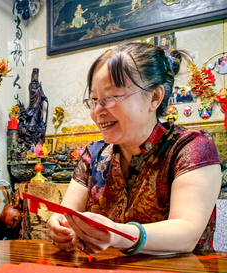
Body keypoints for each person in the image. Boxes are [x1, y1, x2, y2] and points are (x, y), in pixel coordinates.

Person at [48, 42, 221, 256]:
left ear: (154, 97)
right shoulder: (94, 155)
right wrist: (60, 227)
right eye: (94, 100)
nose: (97, 111)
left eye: (110, 98)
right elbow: (68, 215)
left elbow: (187, 232)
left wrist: (118, 234)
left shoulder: (191, 147)